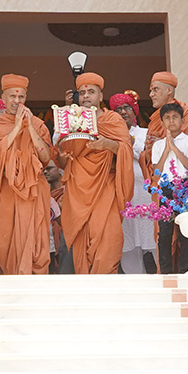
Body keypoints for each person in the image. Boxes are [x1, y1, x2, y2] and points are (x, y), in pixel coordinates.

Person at [57, 72, 133, 274]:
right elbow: (62, 159)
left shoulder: (112, 119)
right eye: (82, 93)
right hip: (78, 190)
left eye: (91, 92)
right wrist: (62, 151)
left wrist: (108, 144)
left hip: (105, 188)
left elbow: (126, 150)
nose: (86, 96)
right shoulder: (71, 120)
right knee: (79, 241)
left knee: (109, 239)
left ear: (100, 96)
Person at [0, 74, 54, 276]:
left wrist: (29, 127)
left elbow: (46, 157)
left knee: (36, 243)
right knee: (9, 244)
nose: (17, 101)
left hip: (34, 192)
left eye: (21, 97)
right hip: (8, 191)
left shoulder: (38, 124)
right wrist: (16, 127)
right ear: (3, 98)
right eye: (12, 96)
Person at [111, 91, 157, 274]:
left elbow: (150, 158)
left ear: (134, 111)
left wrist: (128, 142)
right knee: (128, 245)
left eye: (127, 108)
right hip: (124, 195)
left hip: (145, 195)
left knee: (152, 240)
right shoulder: (110, 136)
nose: (123, 112)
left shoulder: (146, 133)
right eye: (118, 109)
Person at [150, 102, 188, 274]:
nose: (171, 121)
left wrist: (175, 149)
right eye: (167, 118)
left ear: (182, 120)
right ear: (162, 122)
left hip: (185, 187)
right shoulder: (158, 145)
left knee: (185, 232)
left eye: (175, 117)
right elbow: (156, 172)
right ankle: (165, 272)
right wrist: (166, 148)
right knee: (164, 233)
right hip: (166, 189)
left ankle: (185, 270)